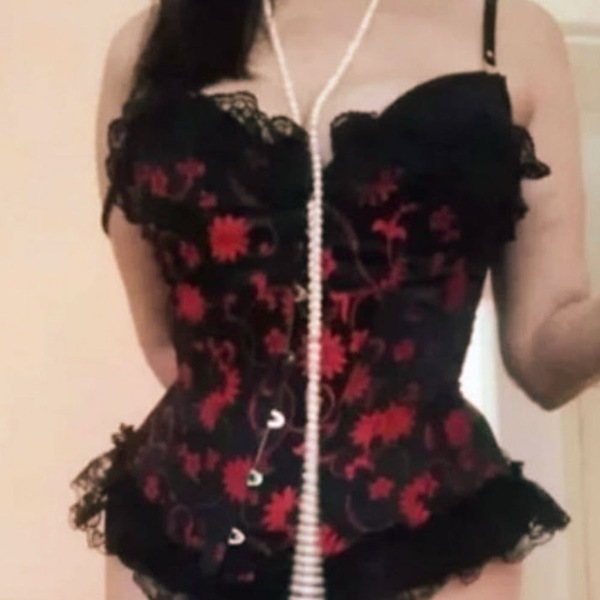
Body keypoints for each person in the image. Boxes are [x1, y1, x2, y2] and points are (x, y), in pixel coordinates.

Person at [69, 0, 599, 598]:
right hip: (181, 538)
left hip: (429, 543)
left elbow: (543, 355)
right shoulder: (150, 44)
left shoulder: (509, 34)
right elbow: (166, 343)